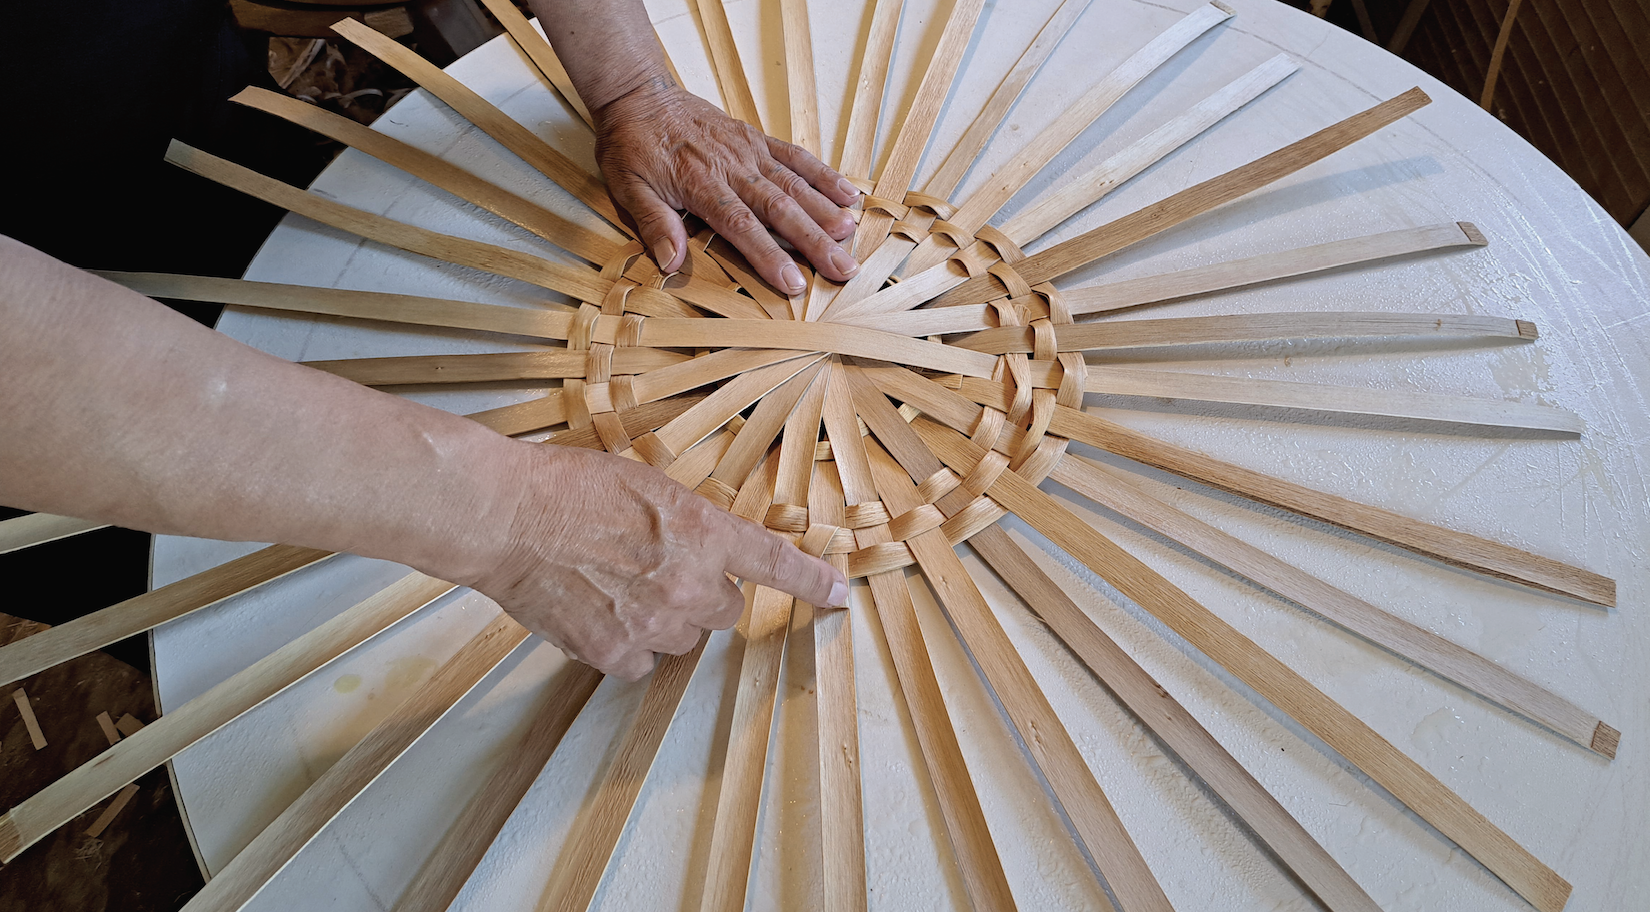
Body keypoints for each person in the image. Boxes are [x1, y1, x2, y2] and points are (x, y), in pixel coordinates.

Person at [0, 0, 860, 681]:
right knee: (236, 634)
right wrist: (508, 515)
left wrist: (634, 83)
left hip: (163, 106)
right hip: (47, 430)